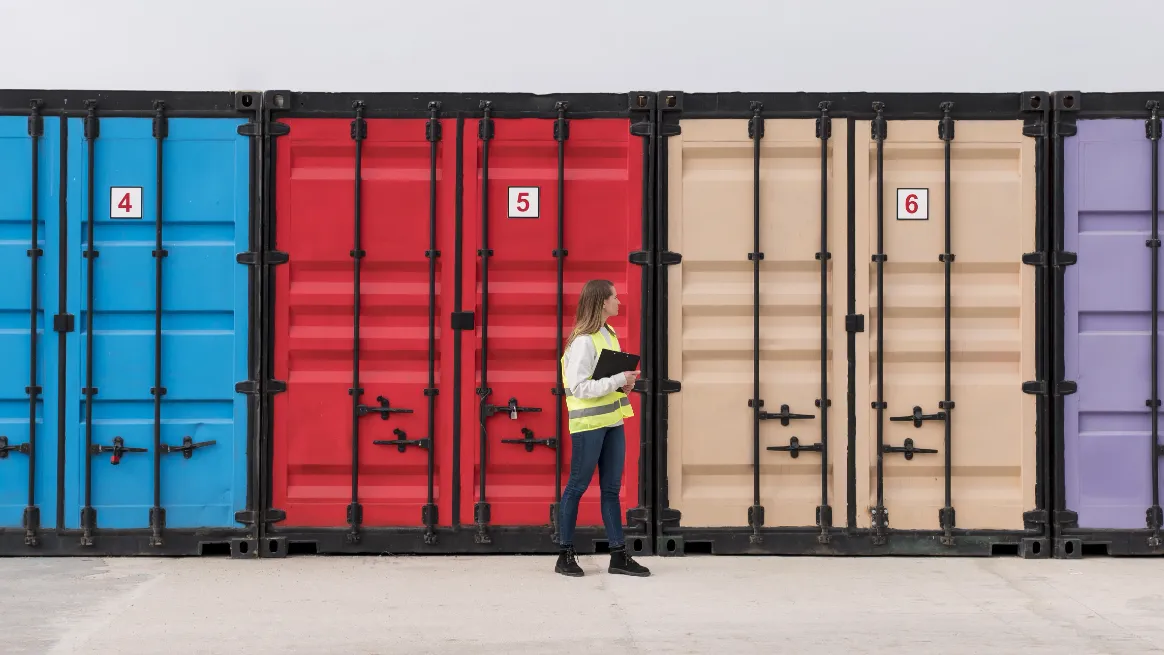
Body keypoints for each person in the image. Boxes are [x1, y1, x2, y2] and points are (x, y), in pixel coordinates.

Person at [554, 279, 651, 578]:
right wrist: (618, 379)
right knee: (577, 487)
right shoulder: (583, 341)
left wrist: (625, 385)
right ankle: (565, 554)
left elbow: (606, 382)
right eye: (614, 298)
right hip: (588, 426)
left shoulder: (609, 334)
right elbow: (580, 387)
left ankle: (618, 556)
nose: (619, 302)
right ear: (601, 303)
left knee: (611, 490)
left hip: (611, 422)